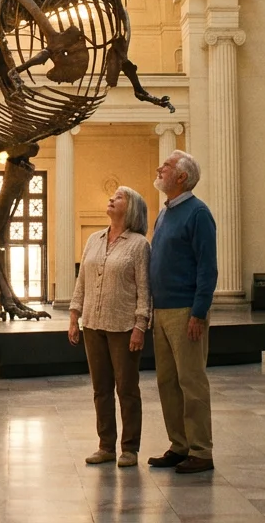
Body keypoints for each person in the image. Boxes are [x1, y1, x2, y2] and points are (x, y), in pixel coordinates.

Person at [68, 186, 151, 468]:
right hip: (93, 324)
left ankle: (130, 448)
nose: (111, 199)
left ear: (131, 208)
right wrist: (74, 315)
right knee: (100, 389)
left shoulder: (139, 245)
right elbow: (82, 281)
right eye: (112, 196)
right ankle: (105, 446)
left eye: (119, 197)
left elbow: (144, 289)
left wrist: (140, 325)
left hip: (124, 326)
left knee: (127, 389)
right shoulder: (94, 239)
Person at [147, 150, 217, 474]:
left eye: (167, 165)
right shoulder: (164, 214)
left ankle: (201, 450)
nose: (160, 168)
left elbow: (207, 267)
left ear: (182, 177)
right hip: (162, 311)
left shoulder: (198, 213)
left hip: (186, 310)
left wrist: (198, 312)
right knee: (167, 382)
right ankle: (179, 445)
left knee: (192, 383)